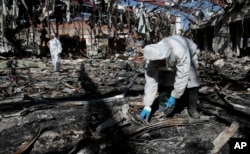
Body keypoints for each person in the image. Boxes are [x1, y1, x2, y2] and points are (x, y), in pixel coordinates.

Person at [140, 35, 201, 122]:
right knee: (164, 80)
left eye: (159, 61)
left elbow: (182, 75)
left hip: (189, 54)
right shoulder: (151, 58)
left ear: (164, 57)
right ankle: (162, 106)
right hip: (171, 60)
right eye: (155, 62)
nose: (157, 64)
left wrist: (175, 96)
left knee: (192, 80)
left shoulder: (179, 52)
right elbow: (150, 82)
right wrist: (147, 106)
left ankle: (192, 108)